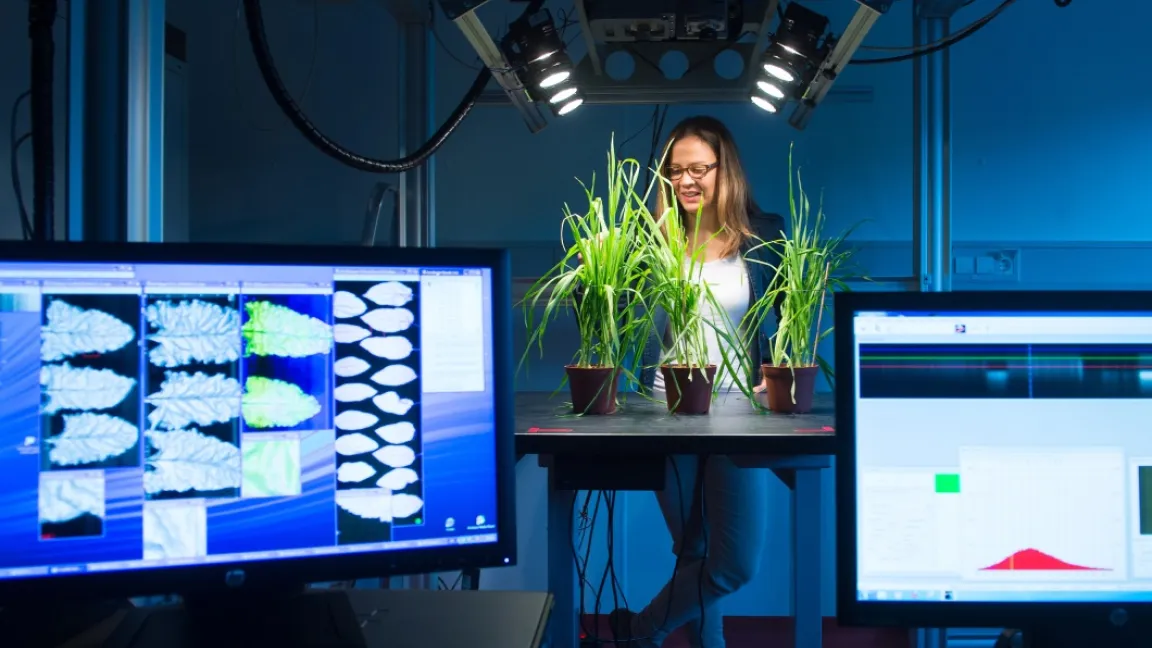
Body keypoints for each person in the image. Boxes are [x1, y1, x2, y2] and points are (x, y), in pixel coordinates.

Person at [608, 115, 785, 648]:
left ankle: (639, 633)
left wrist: (774, 372)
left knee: (733, 564)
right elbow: (617, 314)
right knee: (695, 555)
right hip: (666, 413)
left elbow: (789, 317)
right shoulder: (649, 241)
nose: (685, 181)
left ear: (723, 170)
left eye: (698, 169)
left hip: (738, 418)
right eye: (674, 170)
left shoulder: (764, 236)